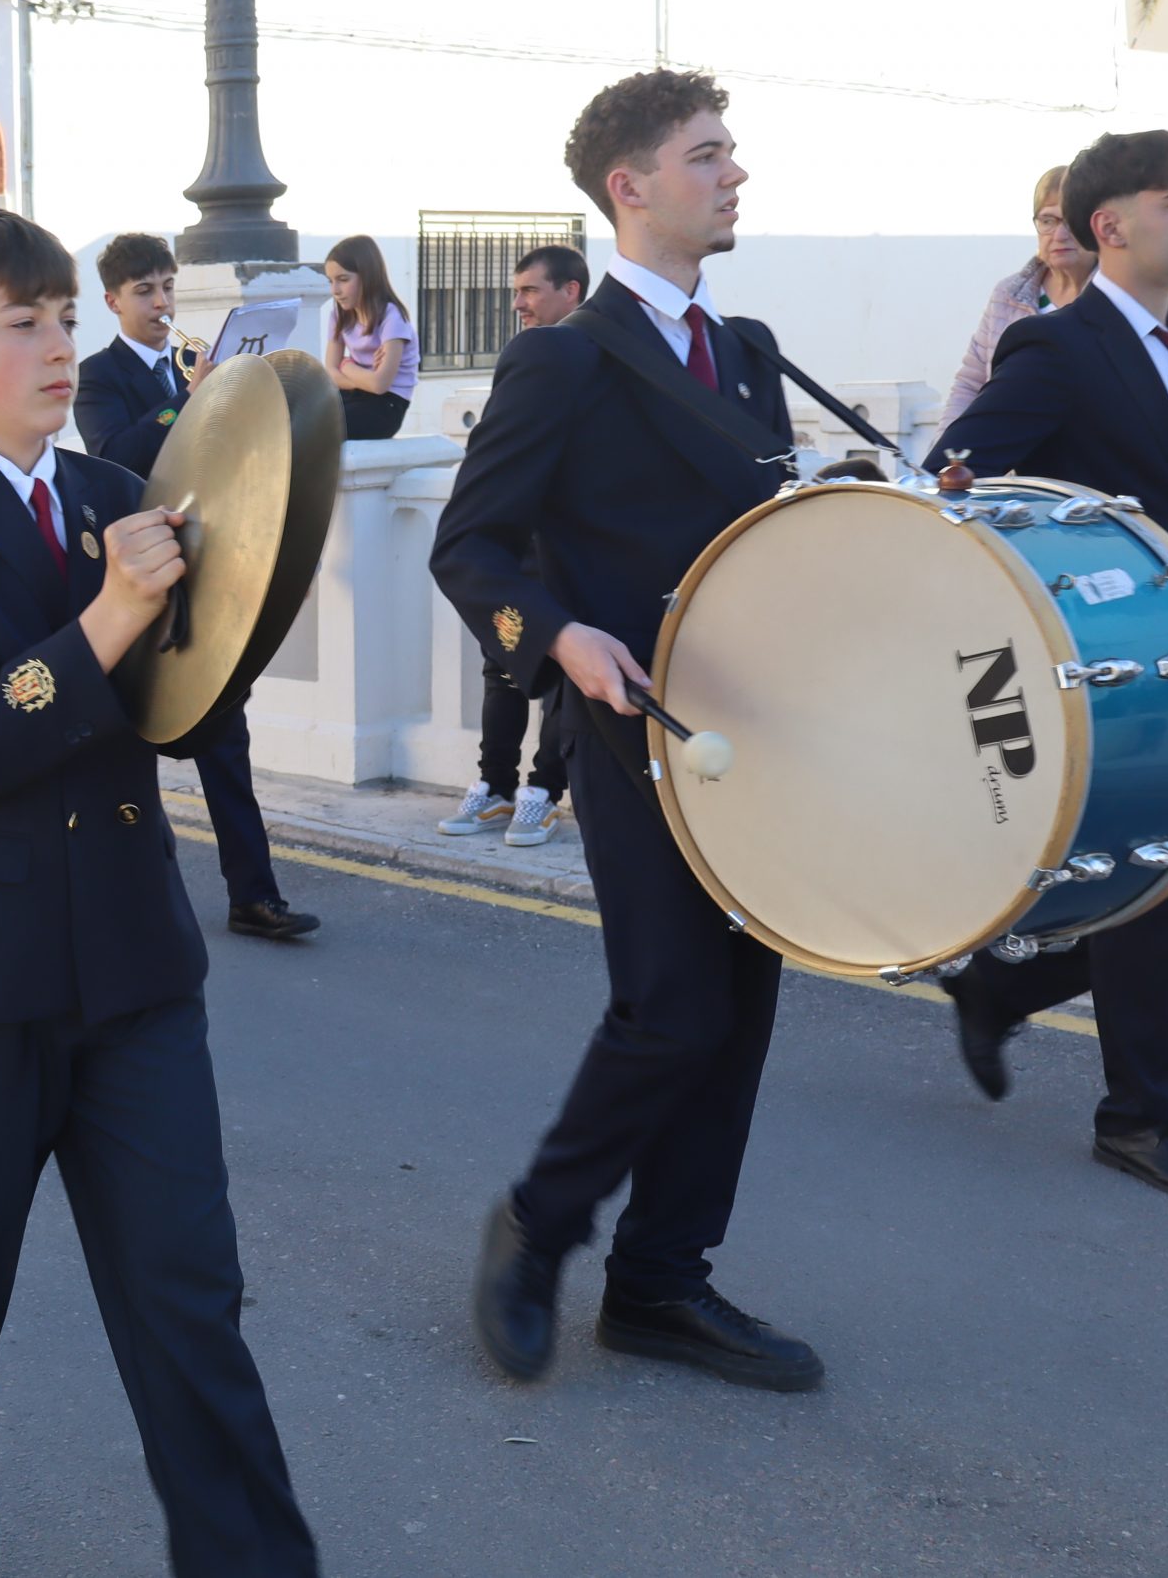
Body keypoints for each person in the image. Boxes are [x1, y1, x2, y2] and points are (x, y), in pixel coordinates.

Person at [0, 208, 318, 1578]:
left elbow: (184, 710)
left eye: (65, 319)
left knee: (190, 1293)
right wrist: (112, 614)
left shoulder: (123, 490)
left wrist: (226, 604)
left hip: (132, 956)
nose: (60, 346)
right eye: (23, 323)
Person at [431, 70, 824, 1393]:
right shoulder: (563, 357)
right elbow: (470, 545)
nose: (734, 173)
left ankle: (660, 1280)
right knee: (669, 1009)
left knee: (740, 1011)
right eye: (707, 155)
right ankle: (537, 1228)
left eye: (731, 152)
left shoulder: (749, 349)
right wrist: (558, 638)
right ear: (630, 186)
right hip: (632, 730)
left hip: (756, 729)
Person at [930, 129, 1168, 1201]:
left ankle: (999, 989)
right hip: (1117, 660)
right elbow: (959, 483)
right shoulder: (1057, 346)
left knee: (1166, 877)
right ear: (1110, 225)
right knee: (1157, 873)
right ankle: (1137, 1116)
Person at [72, 230, 319, 937]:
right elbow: (114, 452)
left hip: (204, 570)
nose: (161, 302)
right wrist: (187, 402)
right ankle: (129, 897)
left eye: (167, 287)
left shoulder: (194, 364)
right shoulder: (98, 374)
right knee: (127, 745)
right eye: (144, 291)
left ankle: (254, 895)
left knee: (225, 736)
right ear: (113, 301)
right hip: (135, 577)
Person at [438, 243, 585, 848]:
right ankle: (495, 786)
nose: (517, 303)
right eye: (516, 290)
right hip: (513, 548)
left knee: (561, 673)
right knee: (501, 665)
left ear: (571, 291)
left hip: (565, 552)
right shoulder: (524, 356)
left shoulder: (590, 359)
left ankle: (542, 794)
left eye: (529, 290)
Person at [939, 164, 1096, 430]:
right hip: (1008, 452)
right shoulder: (1008, 295)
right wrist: (946, 450)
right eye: (1047, 221)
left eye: (1071, 221)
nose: (1059, 235)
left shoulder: (1116, 297)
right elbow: (970, 385)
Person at [324, 234, 421, 439]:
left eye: (343, 280)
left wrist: (346, 366)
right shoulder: (339, 315)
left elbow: (380, 385)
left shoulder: (392, 318)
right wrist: (362, 379)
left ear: (367, 276)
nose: (335, 290)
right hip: (354, 394)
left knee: (323, 426)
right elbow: (330, 373)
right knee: (299, 414)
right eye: (331, 281)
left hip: (387, 404)